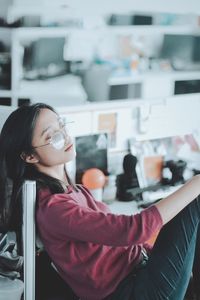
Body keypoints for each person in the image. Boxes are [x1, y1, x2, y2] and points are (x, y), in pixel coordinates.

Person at [0, 102, 200, 300]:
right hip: (136, 291)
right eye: (52, 136)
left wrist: (175, 259)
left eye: (61, 125)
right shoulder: (55, 209)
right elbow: (133, 230)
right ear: (29, 156)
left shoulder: (74, 191)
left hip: (144, 272)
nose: (65, 135)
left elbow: (123, 245)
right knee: (194, 195)